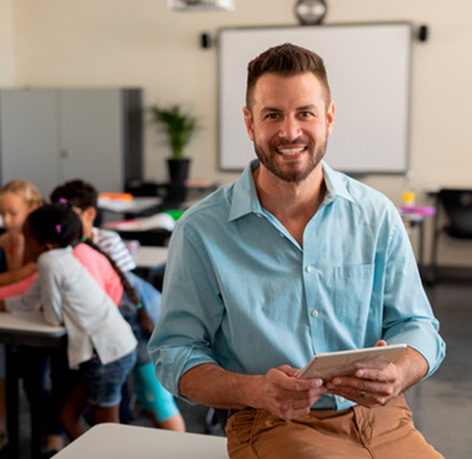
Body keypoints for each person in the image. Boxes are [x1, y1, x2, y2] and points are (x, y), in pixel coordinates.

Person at [148, 43, 446, 458]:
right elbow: (173, 353)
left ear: (328, 118)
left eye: (305, 113)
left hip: (382, 418)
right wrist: (255, 389)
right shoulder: (202, 230)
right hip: (272, 420)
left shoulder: (375, 214)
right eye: (273, 115)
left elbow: (418, 326)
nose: (290, 132)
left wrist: (400, 371)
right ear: (250, 124)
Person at [50, 180, 185, 432]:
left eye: (69, 213)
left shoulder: (104, 242)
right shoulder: (66, 248)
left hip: (142, 321)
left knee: (155, 398)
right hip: (113, 334)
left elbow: (125, 290)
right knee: (109, 400)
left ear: (89, 214)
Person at [0, 204, 138, 441]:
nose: (24, 245)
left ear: (45, 245)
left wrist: (47, 307)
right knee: (68, 418)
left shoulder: (49, 262)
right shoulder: (61, 256)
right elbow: (29, 298)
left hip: (104, 355)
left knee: (107, 431)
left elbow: (53, 316)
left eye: (27, 239)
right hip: (113, 348)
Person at [0, 180, 45, 451]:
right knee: (11, 372)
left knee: (36, 383)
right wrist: (12, 249)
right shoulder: (8, 240)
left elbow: (22, 286)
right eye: (2, 214)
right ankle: (5, 428)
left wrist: (22, 269)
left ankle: (50, 436)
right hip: (16, 317)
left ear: (33, 208)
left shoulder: (44, 239)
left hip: (41, 323)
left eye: (12, 213)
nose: (6, 220)